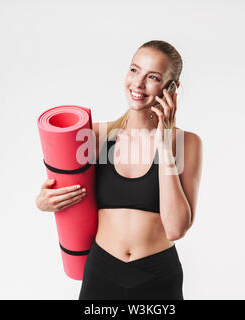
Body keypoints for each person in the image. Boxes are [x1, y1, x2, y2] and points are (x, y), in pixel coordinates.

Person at [35, 40, 203, 300]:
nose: (138, 83)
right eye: (134, 70)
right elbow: (60, 188)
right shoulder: (95, 135)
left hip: (157, 275)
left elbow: (175, 229)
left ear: (173, 88)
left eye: (153, 77)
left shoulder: (186, 143)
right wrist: (44, 201)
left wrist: (164, 143)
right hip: (101, 271)